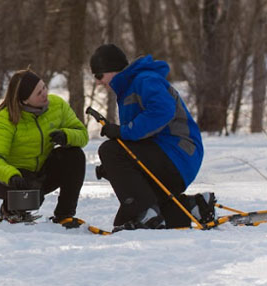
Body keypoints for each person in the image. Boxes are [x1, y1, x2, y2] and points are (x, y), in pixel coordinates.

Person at [89, 44, 215, 231]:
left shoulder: (144, 80)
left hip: (178, 153)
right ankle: (196, 207)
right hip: (170, 156)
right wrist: (116, 169)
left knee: (109, 150)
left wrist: (122, 133)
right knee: (126, 218)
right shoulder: (127, 89)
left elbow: (162, 111)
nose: (98, 82)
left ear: (112, 69)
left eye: (99, 76)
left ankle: (145, 215)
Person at [0, 69, 89, 227]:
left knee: (75, 155)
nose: (45, 93)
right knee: (32, 193)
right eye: (39, 93)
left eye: (44, 87)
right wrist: (11, 176)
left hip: (39, 173)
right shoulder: (4, 119)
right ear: (25, 101)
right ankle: (9, 210)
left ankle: (64, 214)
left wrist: (66, 136)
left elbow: (83, 135)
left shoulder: (57, 105)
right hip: (7, 177)